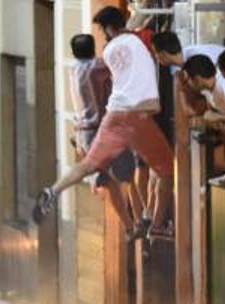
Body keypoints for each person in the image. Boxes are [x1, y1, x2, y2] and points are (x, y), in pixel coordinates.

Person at [33, 6, 173, 234]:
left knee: (88, 166)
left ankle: (53, 191)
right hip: (138, 115)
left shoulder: (108, 52)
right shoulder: (141, 40)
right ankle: (156, 225)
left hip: (113, 116)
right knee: (166, 168)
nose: (103, 35)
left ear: (109, 28)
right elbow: (148, 37)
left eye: (103, 30)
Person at [68, 32, 136, 234]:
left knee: (110, 181)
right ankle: (139, 217)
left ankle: (130, 225)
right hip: (103, 130)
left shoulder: (74, 69)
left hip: (86, 134)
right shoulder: (97, 66)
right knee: (127, 172)